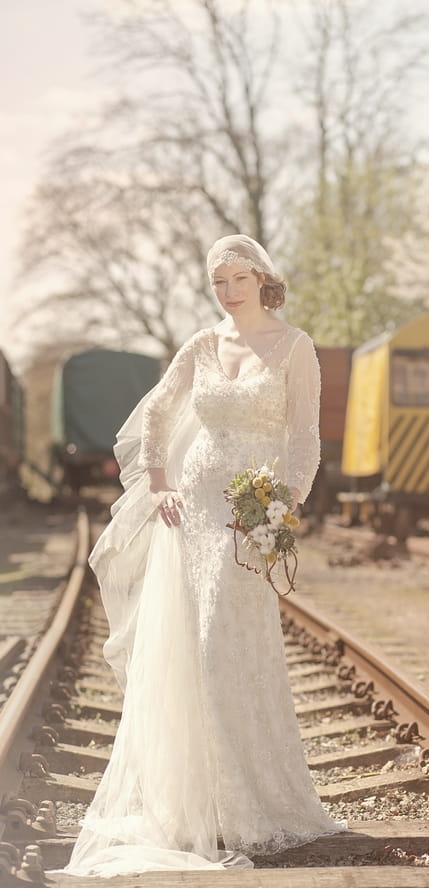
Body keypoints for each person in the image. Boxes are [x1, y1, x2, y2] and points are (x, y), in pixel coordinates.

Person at [64, 234, 345, 876]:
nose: (228, 290)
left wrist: (285, 505)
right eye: (218, 281)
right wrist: (159, 482)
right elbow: (157, 412)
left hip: (252, 511)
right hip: (192, 505)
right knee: (195, 644)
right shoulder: (201, 345)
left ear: (261, 277)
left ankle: (251, 801)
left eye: (237, 277)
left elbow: (305, 434)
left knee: (230, 641)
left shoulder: (296, 347)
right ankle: (203, 802)